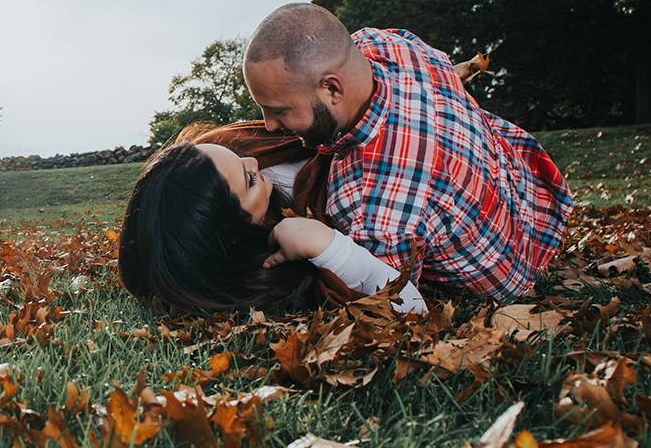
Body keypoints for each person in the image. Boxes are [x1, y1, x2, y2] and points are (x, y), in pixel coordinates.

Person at [241, 3, 573, 302]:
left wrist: (323, 246)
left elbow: (394, 305)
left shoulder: (377, 204)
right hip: (537, 196)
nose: (269, 125)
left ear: (332, 88)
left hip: (509, 271)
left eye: (280, 110)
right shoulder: (383, 45)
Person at [118, 121, 427, 314]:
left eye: (239, 158)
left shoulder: (220, 151)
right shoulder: (304, 261)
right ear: (235, 234)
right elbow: (412, 310)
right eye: (249, 179)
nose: (253, 160)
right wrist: (329, 246)